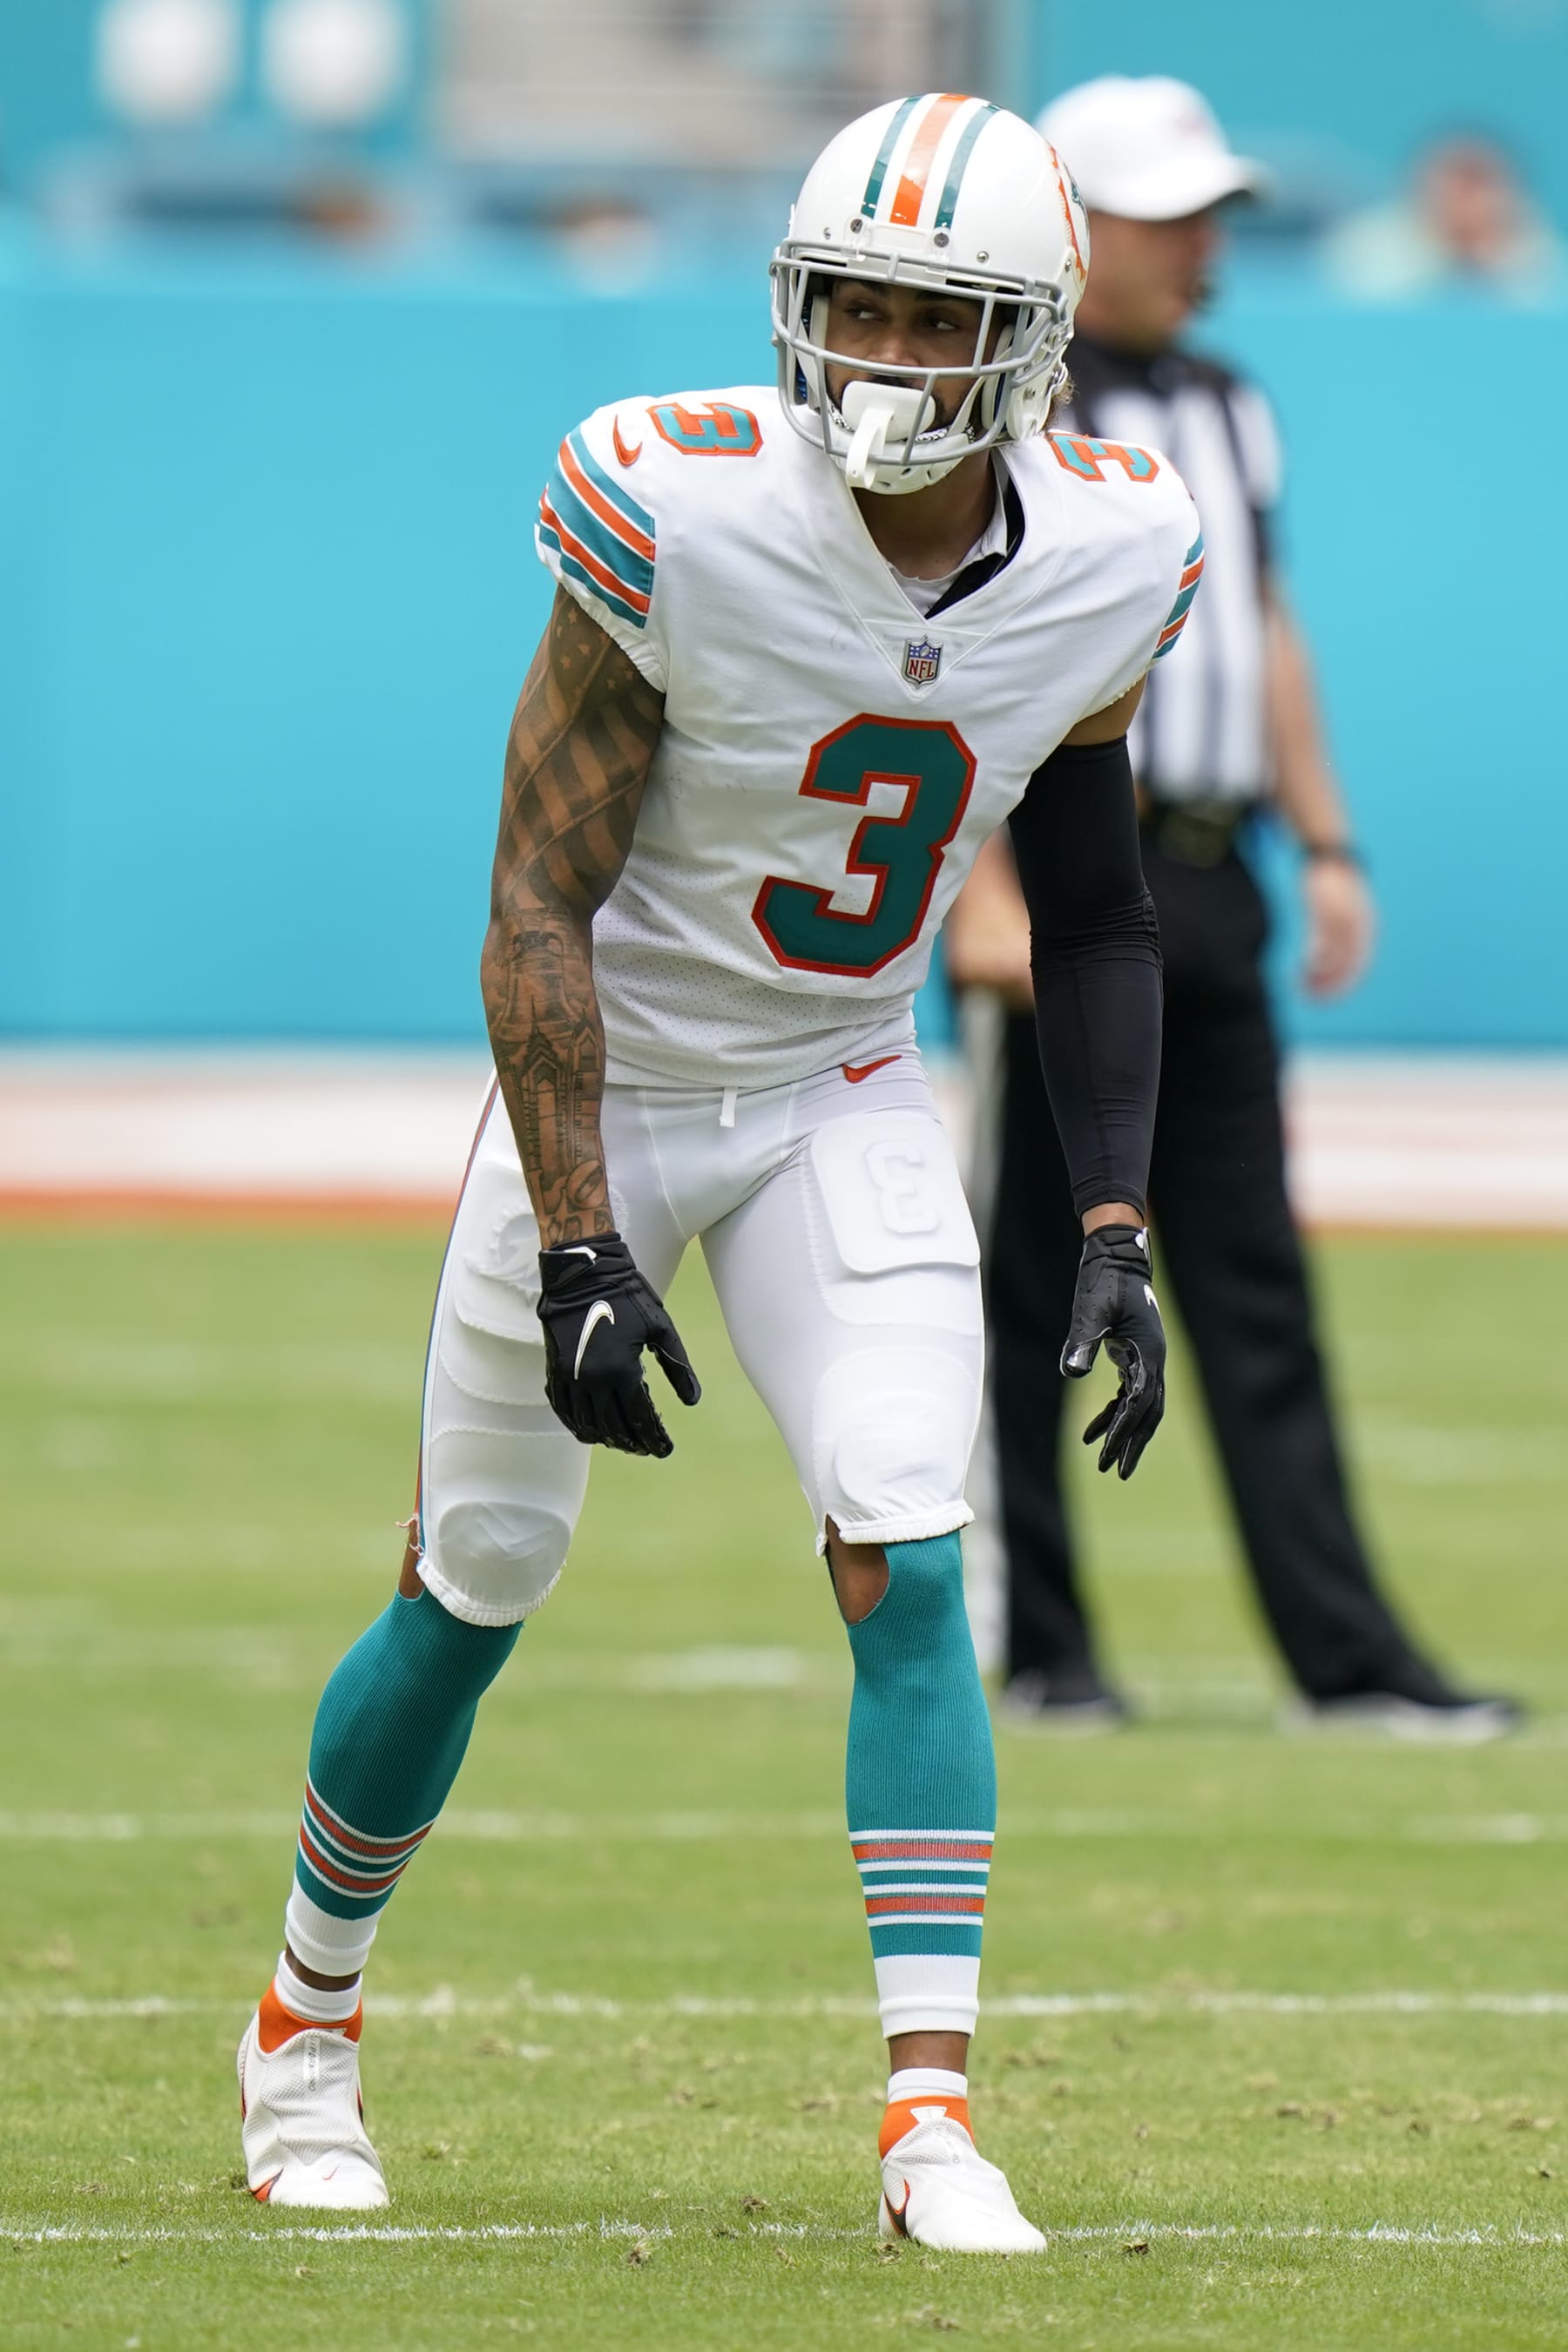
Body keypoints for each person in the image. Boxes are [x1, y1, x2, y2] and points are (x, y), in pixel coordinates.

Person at [233, 92, 1200, 2250]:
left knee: (916, 1542)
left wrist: (1118, 1215)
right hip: (619, 1079)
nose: (872, 343)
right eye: (844, 292)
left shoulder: (1120, 546)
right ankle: (302, 2029)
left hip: (844, 1081)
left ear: (1030, 348)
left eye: (929, 310)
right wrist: (580, 1232)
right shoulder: (673, 502)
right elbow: (534, 898)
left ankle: (928, 2115)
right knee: (474, 1576)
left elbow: (1098, 909)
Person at [944, 76, 1519, 1740]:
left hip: (1209, 877)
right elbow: (950, 666)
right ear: (1074, 226)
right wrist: (982, 894)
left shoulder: (1230, 406)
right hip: (1060, 883)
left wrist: (1325, 842)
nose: (1203, 246)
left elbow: (1264, 630)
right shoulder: (1001, 411)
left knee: (1254, 1277)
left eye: (1210, 213)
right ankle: (1038, 1646)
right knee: (1030, 1276)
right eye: (1166, 213)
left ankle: (1347, 1660)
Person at [1323, 132, 1564, 304]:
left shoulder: (1541, 252)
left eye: (1478, 182)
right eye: (1451, 181)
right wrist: (1448, 255)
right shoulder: (1368, 241)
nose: (1462, 198)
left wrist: (1485, 263)